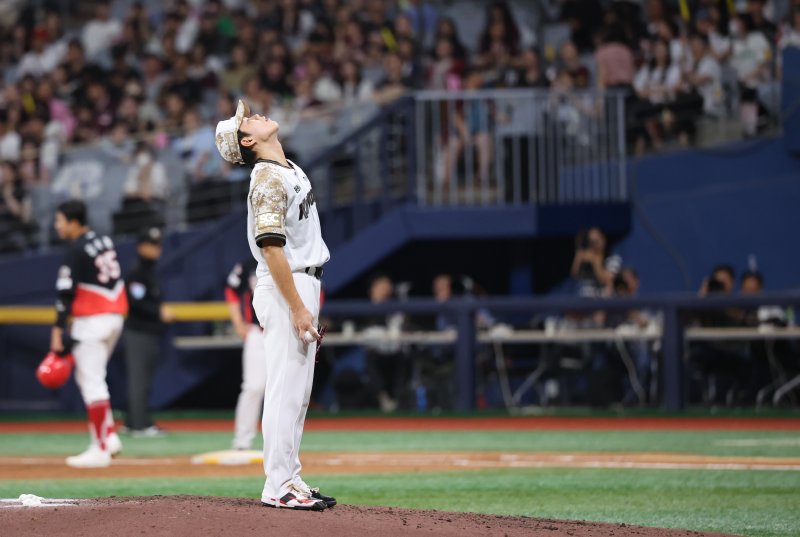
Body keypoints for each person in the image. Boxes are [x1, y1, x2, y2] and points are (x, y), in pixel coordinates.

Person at [214, 100, 334, 510]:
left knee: (298, 392)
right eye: (247, 119)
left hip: (301, 283)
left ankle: (291, 477)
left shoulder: (288, 168)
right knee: (284, 389)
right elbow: (272, 248)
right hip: (287, 287)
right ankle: (278, 486)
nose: (256, 115)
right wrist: (299, 305)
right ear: (248, 140)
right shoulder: (265, 178)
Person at [51, 200, 128, 468]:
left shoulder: (76, 249)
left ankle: (100, 448)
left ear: (73, 222)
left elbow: (65, 294)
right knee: (91, 379)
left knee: (92, 381)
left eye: (59, 220)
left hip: (92, 318)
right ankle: (110, 436)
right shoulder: (103, 240)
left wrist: (58, 330)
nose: (56, 226)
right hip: (115, 315)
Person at [123, 227, 174, 437]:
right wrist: (158, 311)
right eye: (152, 245)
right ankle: (138, 425)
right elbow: (135, 302)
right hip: (138, 332)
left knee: (141, 379)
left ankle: (134, 421)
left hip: (147, 332)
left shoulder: (149, 272)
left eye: (158, 244)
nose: (156, 249)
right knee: (139, 379)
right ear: (141, 247)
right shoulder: (137, 272)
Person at [224, 257, 266, 450]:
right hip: (257, 332)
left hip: (286, 331)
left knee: (287, 388)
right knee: (254, 386)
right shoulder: (251, 261)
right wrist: (237, 322)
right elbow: (231, 289)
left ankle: (284, 444)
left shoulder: (295, 256)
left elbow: (318, 290)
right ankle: (242, 440)